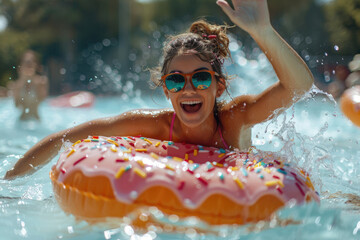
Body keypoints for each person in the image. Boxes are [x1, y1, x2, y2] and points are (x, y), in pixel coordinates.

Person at [4, 0, 314, 179]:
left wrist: (263, 31)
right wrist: (9, 185)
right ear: (166, 90)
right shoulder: (153, 124)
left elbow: (299, 87)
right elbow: (65, 138)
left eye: (201, 78)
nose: (188, 88)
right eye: (176, 80)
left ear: (219, 87)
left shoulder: (234, 119)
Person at [7, 50, 48, 121]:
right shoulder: (16, 85)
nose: (29, 64)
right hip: (21, 121)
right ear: (21, 66)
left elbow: (42, 100)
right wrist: (22, 81)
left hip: (36, 120)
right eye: (26, 62)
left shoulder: (41, 82)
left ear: (35, 65)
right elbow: (17, 105)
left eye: (31, 62)